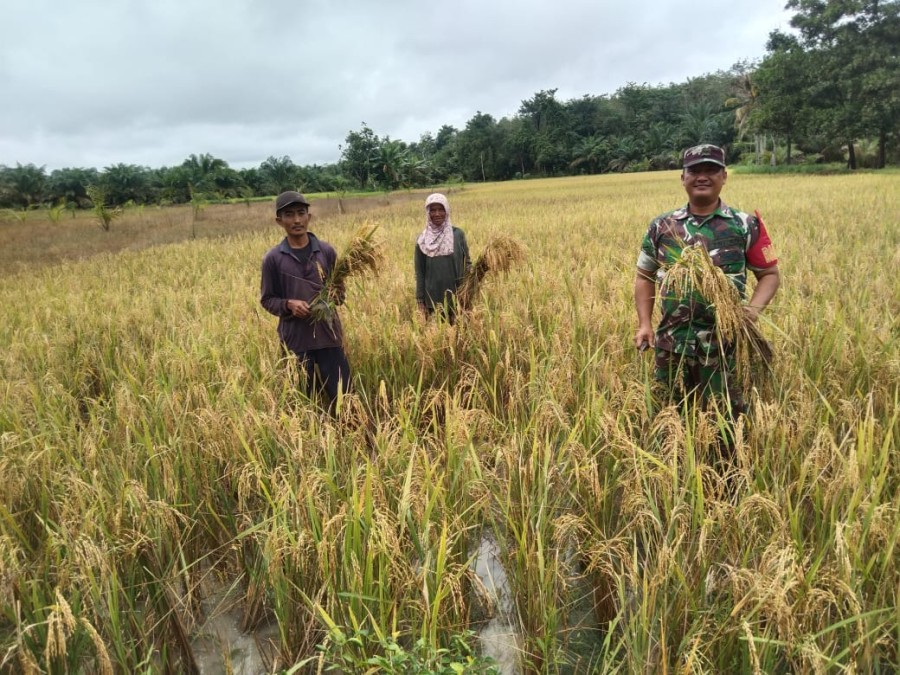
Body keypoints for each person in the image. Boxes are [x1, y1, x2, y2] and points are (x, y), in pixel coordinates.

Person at [633, 144, 781, 431]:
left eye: (711, 170)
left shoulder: (745, 225)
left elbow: (770, 274)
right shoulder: (662, 226)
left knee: (727, 421)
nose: (702, 176)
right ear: (683, 177)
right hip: (671, 343)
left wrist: (751, 312)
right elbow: (644, 275)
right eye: (694, 171)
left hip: (725, 343)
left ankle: (729, 470)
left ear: (724, 175)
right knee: (669, 418)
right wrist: (644, 324)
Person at [261, 191, 351, 408]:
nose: (297, 220)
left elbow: (340, 294)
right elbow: (267, 299)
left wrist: (333, 296)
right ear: (279, 221)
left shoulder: (326, 252)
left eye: (301, 213)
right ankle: (313, 441)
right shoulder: (273, 259)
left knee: (345, 399)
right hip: (295, 342)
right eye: (289, 215)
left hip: (328, 337)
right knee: (302, 402)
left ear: (309, 217)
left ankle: (351, 437)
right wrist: (288, 305)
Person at [414, 193, 472, 323]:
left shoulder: (458, 235)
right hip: (433, 300)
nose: (437, 214)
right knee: (438, 338)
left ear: (447, 211)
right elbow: (420, 272)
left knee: (460, 334)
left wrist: (471, 288)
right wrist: (420, 300)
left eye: (441, 209)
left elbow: (467, 263)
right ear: (428, 213)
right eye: (433, 210)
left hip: (458, 297)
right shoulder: (422, 241)